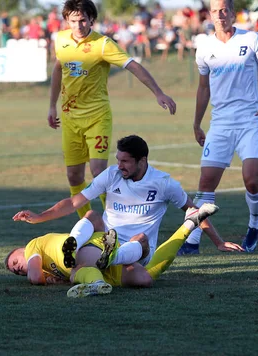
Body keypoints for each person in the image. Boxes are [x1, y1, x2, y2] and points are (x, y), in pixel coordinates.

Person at [12, 135, 243, 294]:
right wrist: (39, 217)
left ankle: (109, 257)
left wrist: (218, 242)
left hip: (137, 250)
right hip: (104, 239)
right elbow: (74, 202)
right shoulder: (111, 175)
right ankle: (77, 246)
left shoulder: (163, 184)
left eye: (125, 161)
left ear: (142, 161)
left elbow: (193, 210)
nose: (119, 165)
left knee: (142, 254)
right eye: (118, 160)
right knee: (92, 214)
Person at [47, 0, 177, 220]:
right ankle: (87, 224)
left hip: (97, 117)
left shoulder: (103, 44)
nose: (78, 25)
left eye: (83, 20)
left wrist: (158, 92)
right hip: (70, 119)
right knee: (73, 176)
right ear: (67, 20)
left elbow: (133, 65)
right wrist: (51, 105)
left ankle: (116, 222)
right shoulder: (60, 40)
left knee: (99, 173)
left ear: (91, 20)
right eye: (73, 21)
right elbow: (59, 69)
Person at [177, 0, 258, 255]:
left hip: (250, 121)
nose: (220, 14)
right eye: (215, 11)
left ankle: (254, 226)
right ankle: (191, 243)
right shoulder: (203, 47)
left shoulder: (252, 39)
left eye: (225, 10)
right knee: (205, 185)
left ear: (233, 14)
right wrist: (196, 123)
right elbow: (203, 88)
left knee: (251, 180)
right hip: (220, 124)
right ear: (210, 15)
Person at [6, 201, 221, 298]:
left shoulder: (33, 246)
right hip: (102, 255)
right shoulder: (52, 270)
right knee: (145, 278)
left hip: (89, 247)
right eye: (15, 271)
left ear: (21, 249)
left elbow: (35, 278)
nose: (18, 268)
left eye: (14, 262)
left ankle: (90, 260)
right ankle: (190, 223)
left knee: (90, 222)